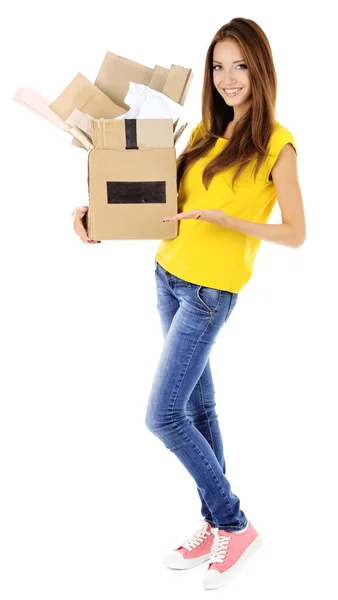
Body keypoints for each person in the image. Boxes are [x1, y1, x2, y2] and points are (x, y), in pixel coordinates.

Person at [71, 17, 306, 591]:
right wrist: (91, 214)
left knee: (163, 416)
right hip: (167, 275)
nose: (229, 78)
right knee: (198, 412)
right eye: (219, 66)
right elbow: (155, 192)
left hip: (208, 294)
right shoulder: (203, 130)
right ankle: (213, 520)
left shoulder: (277, 144)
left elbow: (297, 232)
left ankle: (233, 522)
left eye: (241, 65)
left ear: (261, 68)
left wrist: (229, 221)